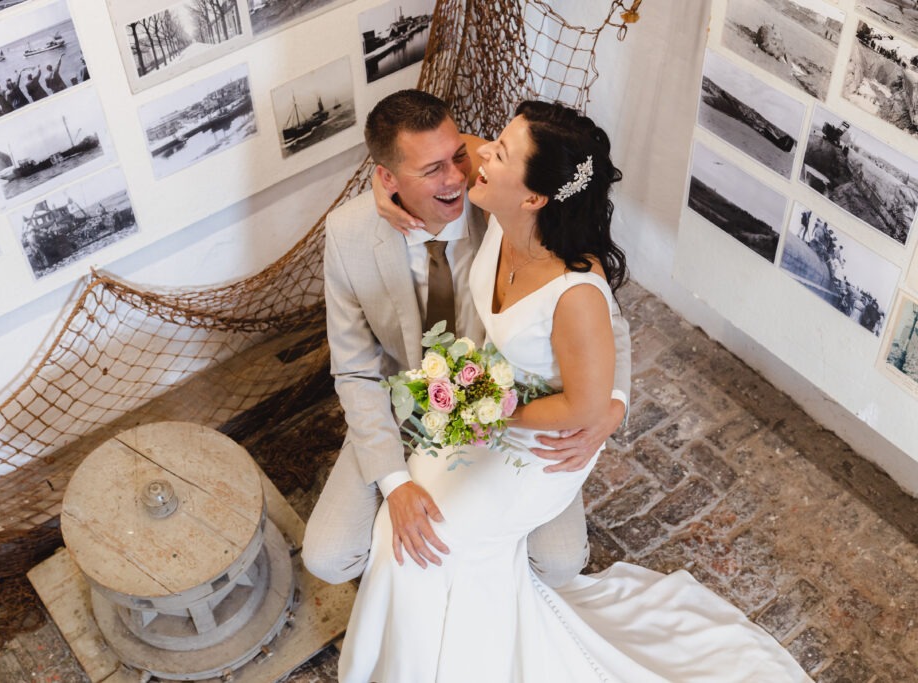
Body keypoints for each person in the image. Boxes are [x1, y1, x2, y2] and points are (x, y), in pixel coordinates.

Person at [337, 100, 811, 682]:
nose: (474, 158)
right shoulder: (505, 211)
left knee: (432, 548)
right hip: (477, 406)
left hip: (537, 442)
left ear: (534, 196)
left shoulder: (575, 290)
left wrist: (493, 412)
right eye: (475, 151)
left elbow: (585, 404)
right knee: (398, 531)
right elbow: (438, 146)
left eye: (496, 153)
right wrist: (387, 184)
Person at [303, 89, 632, 594]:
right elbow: (354, 370)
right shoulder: (348, 235)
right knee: (329, 556)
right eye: (432, 169)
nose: (457, 176)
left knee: (560, 563)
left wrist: (611, 403)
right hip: (406, 406)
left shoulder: (506, 207)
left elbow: (602, 317)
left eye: (461, 155)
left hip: (509, 408)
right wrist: (394, 483)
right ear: (387, 178)